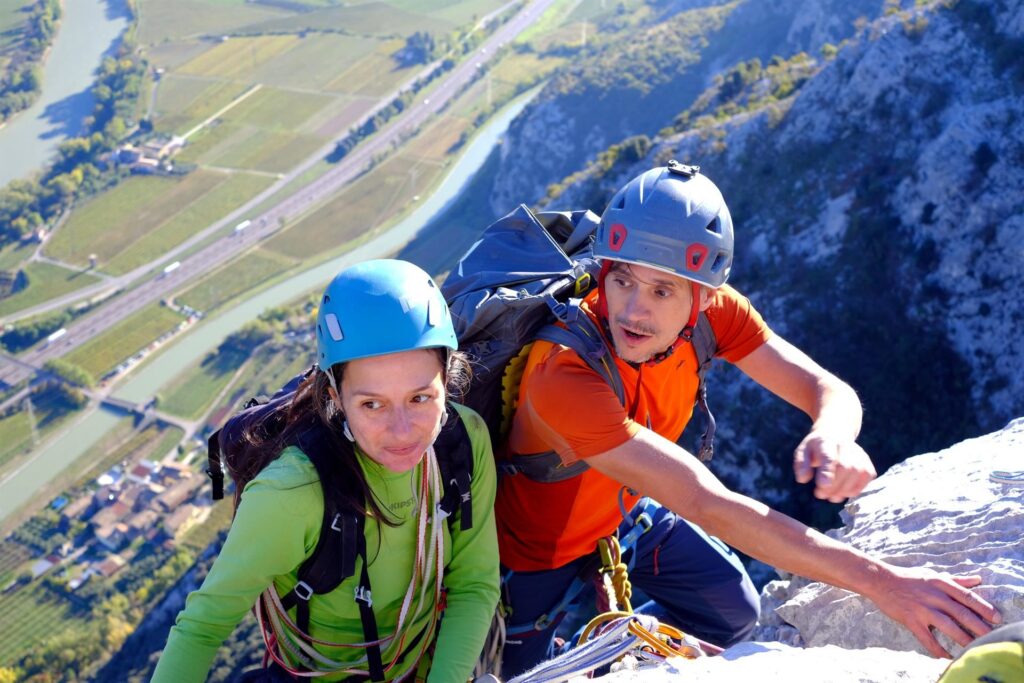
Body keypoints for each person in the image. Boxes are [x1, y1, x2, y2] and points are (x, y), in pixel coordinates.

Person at [495, 163, 1001, 675]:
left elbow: (825, 388)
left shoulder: (715, 316)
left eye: (662, 291)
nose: (631, 310)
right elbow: (705, 503)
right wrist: (883, 583)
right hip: (532, 557)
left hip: (622, 512)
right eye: (622, 279)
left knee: (734, 612)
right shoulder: (562, 373)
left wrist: (833, 432)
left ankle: (627, 653)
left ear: (704, 296)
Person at [152, 259, 499, 682]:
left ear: (448, 378)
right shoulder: (294, 492)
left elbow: (474, 584)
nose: (402, 431)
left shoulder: (463, 441)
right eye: (372, 404)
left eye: (421, 398)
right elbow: (202, 627)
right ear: (335, 396)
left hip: (425, 663)